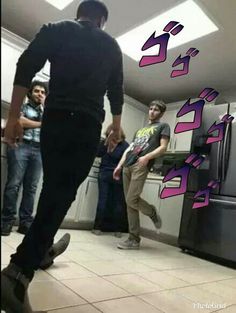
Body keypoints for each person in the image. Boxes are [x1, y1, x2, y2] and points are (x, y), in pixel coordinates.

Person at [1, 0, 123, 312]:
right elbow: (116, 90)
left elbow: (26, 64)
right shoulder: (110, 45)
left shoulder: (58, 29)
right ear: (102, 21)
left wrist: (13, 116)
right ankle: (17, 273)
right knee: (61, 193)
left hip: (54, 122)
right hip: (86, 124)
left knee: (54, 189)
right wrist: (116, 125)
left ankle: (41, 252)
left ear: (80, 14)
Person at [113, 100, 170, 249]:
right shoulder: (139, 131)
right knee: (129, 202)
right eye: (150, 108)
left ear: (161, 113)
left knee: (131, 199)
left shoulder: (163, 126)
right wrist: (119, 165)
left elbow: (163, 147)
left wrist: (146, 157)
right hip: (128, 165)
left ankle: (151, 211)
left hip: (140, 164)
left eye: (156, 110)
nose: (151, 111)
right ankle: (133, 239)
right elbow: (129, 149)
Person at [1, 80, 47, 236]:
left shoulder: (46, 111)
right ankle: (6, 221)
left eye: (42, 92)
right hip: (21, 146)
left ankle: (25, 223)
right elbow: (20, 121)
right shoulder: (21, 106)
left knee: (31, 188)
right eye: (36, 91)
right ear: (30, 93)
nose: (39, 94)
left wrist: (46, 108)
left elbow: (53, 124)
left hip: (39, 150)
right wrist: (42, 124)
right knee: (13, 184)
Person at [92, 124, 129, 237]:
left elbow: (98, 154)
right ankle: (118, 230)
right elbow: (127, 160)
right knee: (118, 202)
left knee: (103, 200)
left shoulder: (105, 142)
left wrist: (106, 141)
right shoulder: (125, 145)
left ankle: (97, 228)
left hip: (104, 173)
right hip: (118, 174)